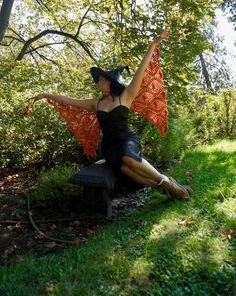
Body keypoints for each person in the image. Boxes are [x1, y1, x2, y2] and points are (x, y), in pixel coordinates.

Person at [28, 29, 191, 199]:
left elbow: (140, 72)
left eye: (102, 80)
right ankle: (163, 187)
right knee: (125, 168)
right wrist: (46, 95)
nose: (99, 82)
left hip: (127, 140)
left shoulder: (125, 97)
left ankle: (167, 183)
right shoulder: (96, 103)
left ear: (110, 82)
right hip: (109, 147)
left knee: (128, 159)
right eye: (99, 80)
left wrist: (154, 44)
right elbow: (69, 100)